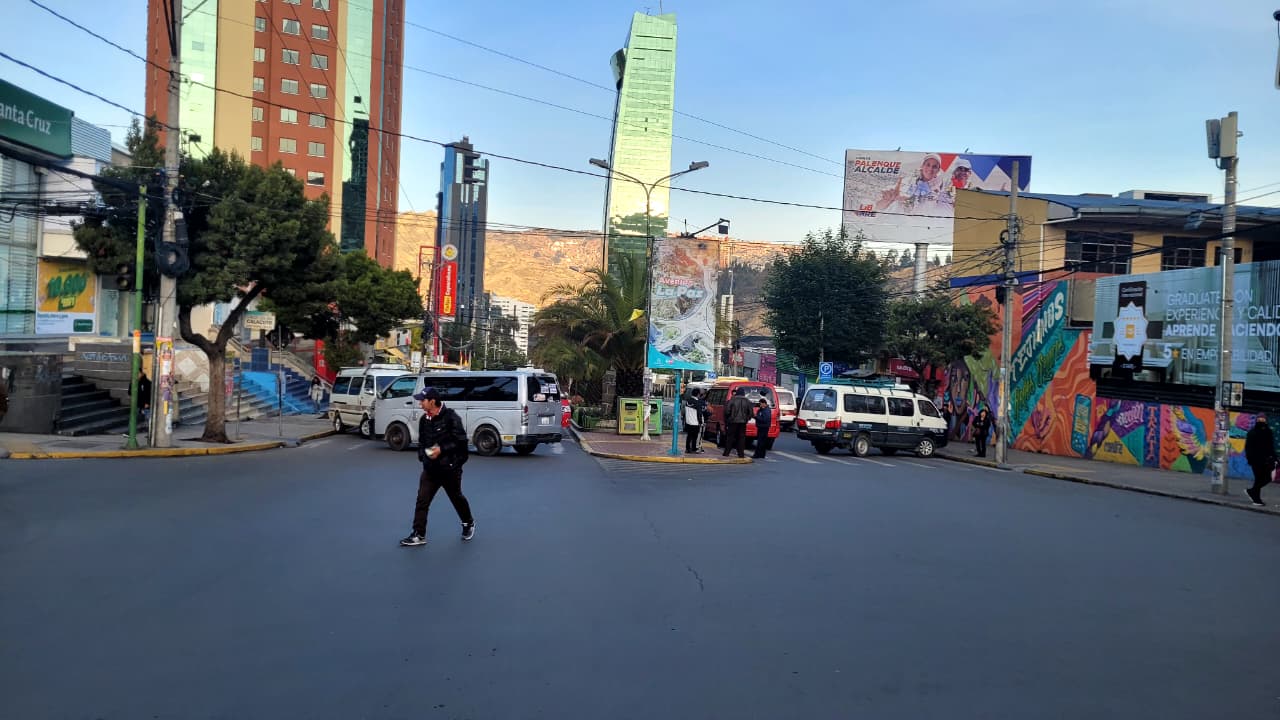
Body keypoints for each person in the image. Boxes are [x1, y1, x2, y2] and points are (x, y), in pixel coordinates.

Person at [401, 387, 474, 547]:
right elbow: (422, 442)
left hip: (450, 469)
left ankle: (468, 523)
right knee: (422, 500)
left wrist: (442, 449)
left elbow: (461, 442)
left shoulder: (451, 418)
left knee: (456, 498)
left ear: (432, 401)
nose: (420, 403)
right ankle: (418, 534)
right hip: (430, 470)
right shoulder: (424, 420)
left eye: (423, 400)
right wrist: (423, 455)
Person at [1244, 412, 1276, 507]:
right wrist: (1250, 459)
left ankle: (1252, 492)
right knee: (1258, 479)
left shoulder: (1268, 432)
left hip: (1266, 460)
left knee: (1267, 478)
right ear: (1256, 420)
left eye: (1263, 419)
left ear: (1266, 420)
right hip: (1256, 460)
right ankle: (1256, 499)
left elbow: (1270, 446)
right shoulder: (1252, 432)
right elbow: (1248, 447)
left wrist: (1274, 457)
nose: (1261, 421)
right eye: (1259, 419)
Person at [722, 387, 753, 459]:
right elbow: (751, 413)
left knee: (730, 437)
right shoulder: (747, 401)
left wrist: (729, 418)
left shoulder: (732, 400)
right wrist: (747, 419)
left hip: (733, 421)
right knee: (741, 438)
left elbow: (727, 411)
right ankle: (741, 454)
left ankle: (726, 453)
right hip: (743, 422)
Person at [684, 388, 705, 454]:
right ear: (698, 394)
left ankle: (687, 449)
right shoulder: (697, 402)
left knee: (689, 436)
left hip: (688, 422)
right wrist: (701, 422)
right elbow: (699, 414)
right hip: (695, 422)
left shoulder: (688, 401)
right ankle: (693, 449)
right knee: (694, 437)